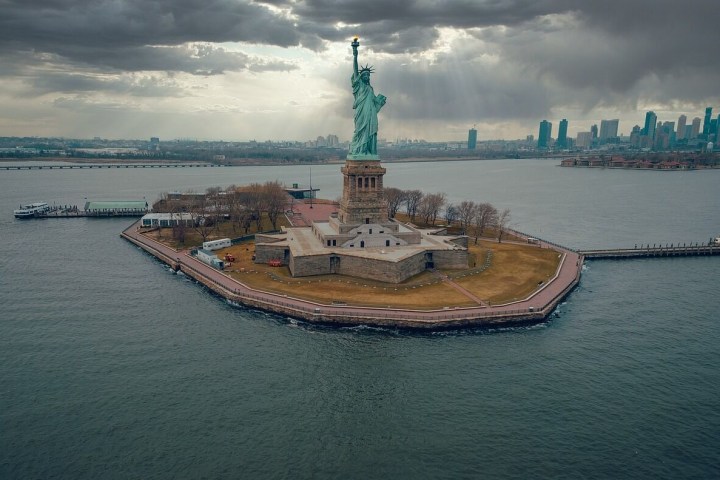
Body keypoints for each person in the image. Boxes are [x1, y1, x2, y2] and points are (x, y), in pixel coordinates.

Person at [349, 38, 386, 157]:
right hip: (361, 113)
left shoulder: (370, 89)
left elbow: (375, 103)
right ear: (361, 77)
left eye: (368, 75)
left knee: (370, 132)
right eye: (364, 75)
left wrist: (380, 101)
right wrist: (355, 53)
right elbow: (355, 70)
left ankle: (368, 152)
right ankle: (359, 151)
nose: (366, 76)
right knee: (360, 130)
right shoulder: (359, 86)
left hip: (370, 114)